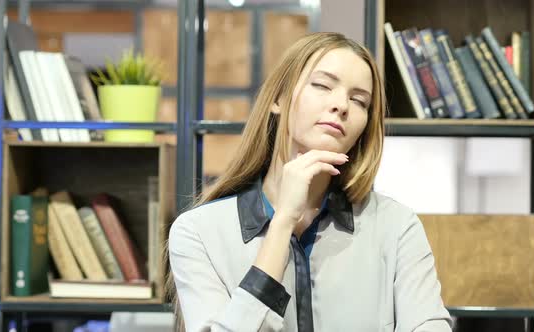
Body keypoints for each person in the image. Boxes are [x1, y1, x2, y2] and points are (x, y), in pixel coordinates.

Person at [166, 32, 452, 332]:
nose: (341, 105)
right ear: (278, 98)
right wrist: (282, 223)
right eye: (322, 85)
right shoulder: (197, 233)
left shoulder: (395, 226)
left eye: (359, 101)